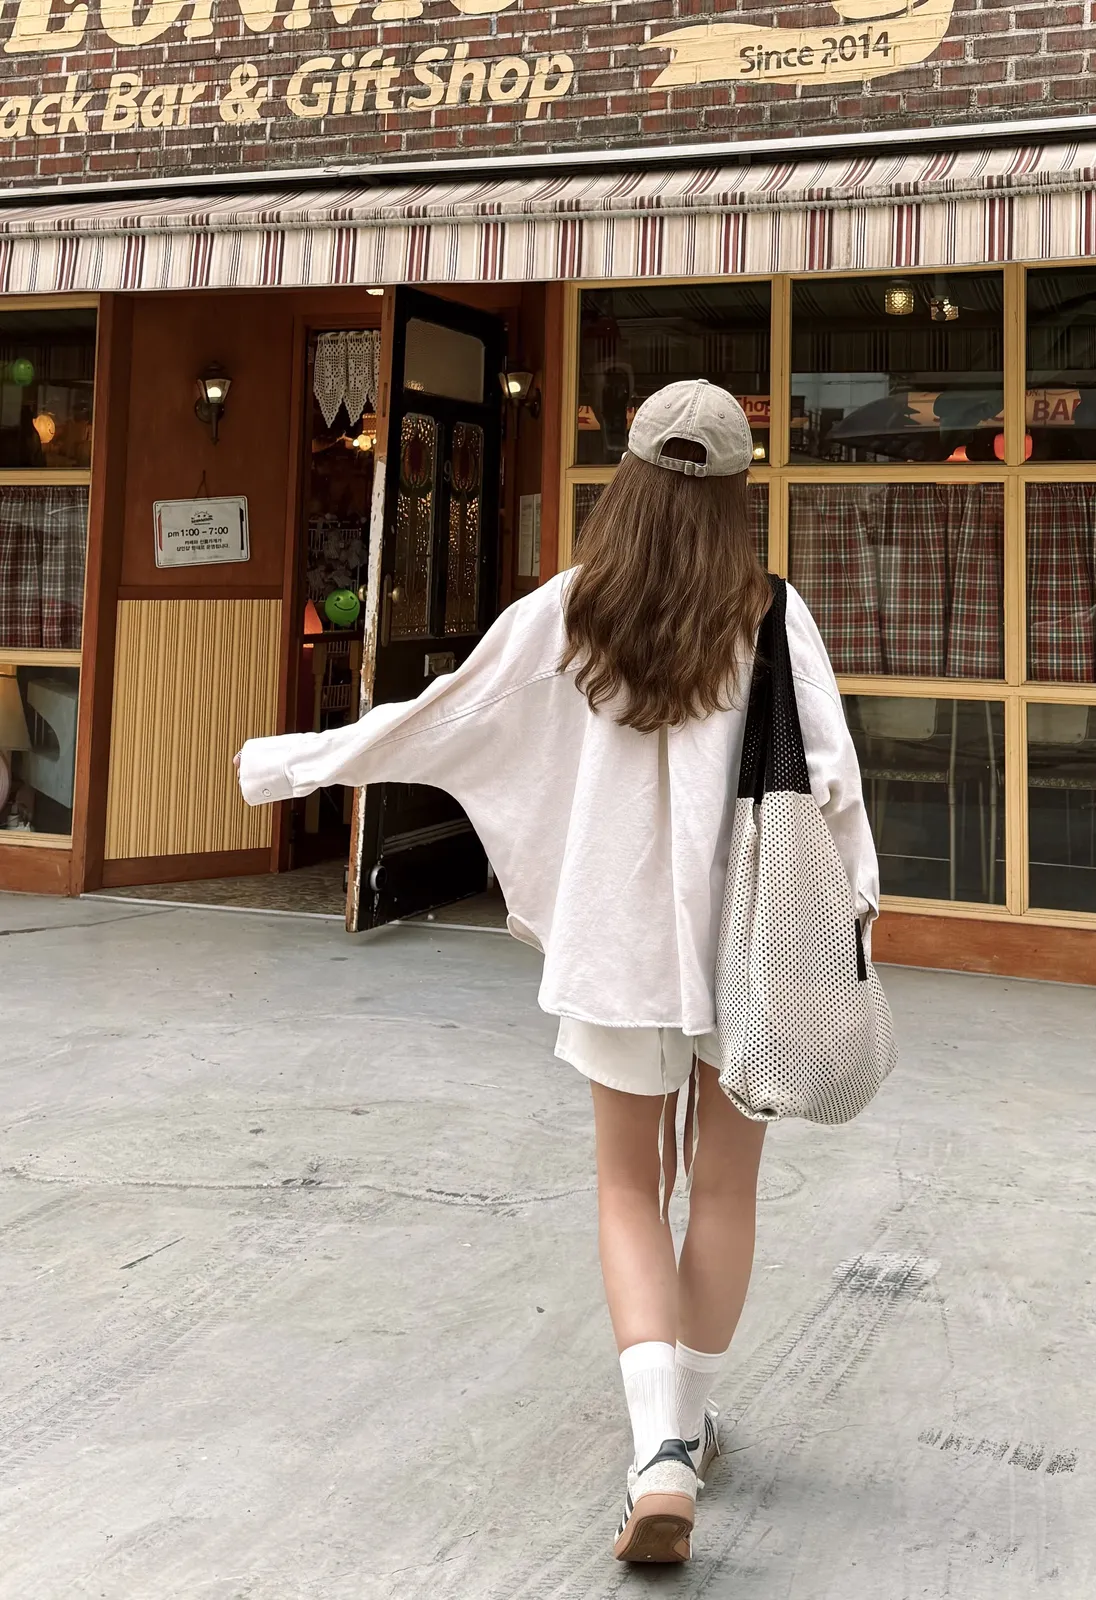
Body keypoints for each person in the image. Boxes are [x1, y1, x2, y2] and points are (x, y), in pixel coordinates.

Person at [235, 378, 879, 1564]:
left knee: (629, 1184)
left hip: (618, 945)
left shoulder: (573, 608)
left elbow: (446, 713)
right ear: (738, 491)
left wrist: (298, 763)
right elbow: (833, 790)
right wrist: (851, 925)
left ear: (626, 477)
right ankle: (690, 1424)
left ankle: (659, 1451)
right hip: (748, 947)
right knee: (724, 1190)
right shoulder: (772, 614)